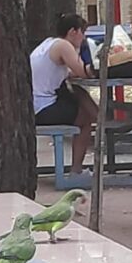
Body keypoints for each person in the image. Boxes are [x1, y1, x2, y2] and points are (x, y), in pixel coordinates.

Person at [30, 13, 98, 177]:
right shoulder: (64, 46)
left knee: (78, 93)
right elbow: (82, 71)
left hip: (34, 106)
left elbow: (69, 73)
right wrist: (100, 65)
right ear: (73, 31)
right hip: (43, 109)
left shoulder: (48, 43)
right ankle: (76, 170)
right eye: (82, 32)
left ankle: (101, 119)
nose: (83, 38)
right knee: (85, 120)